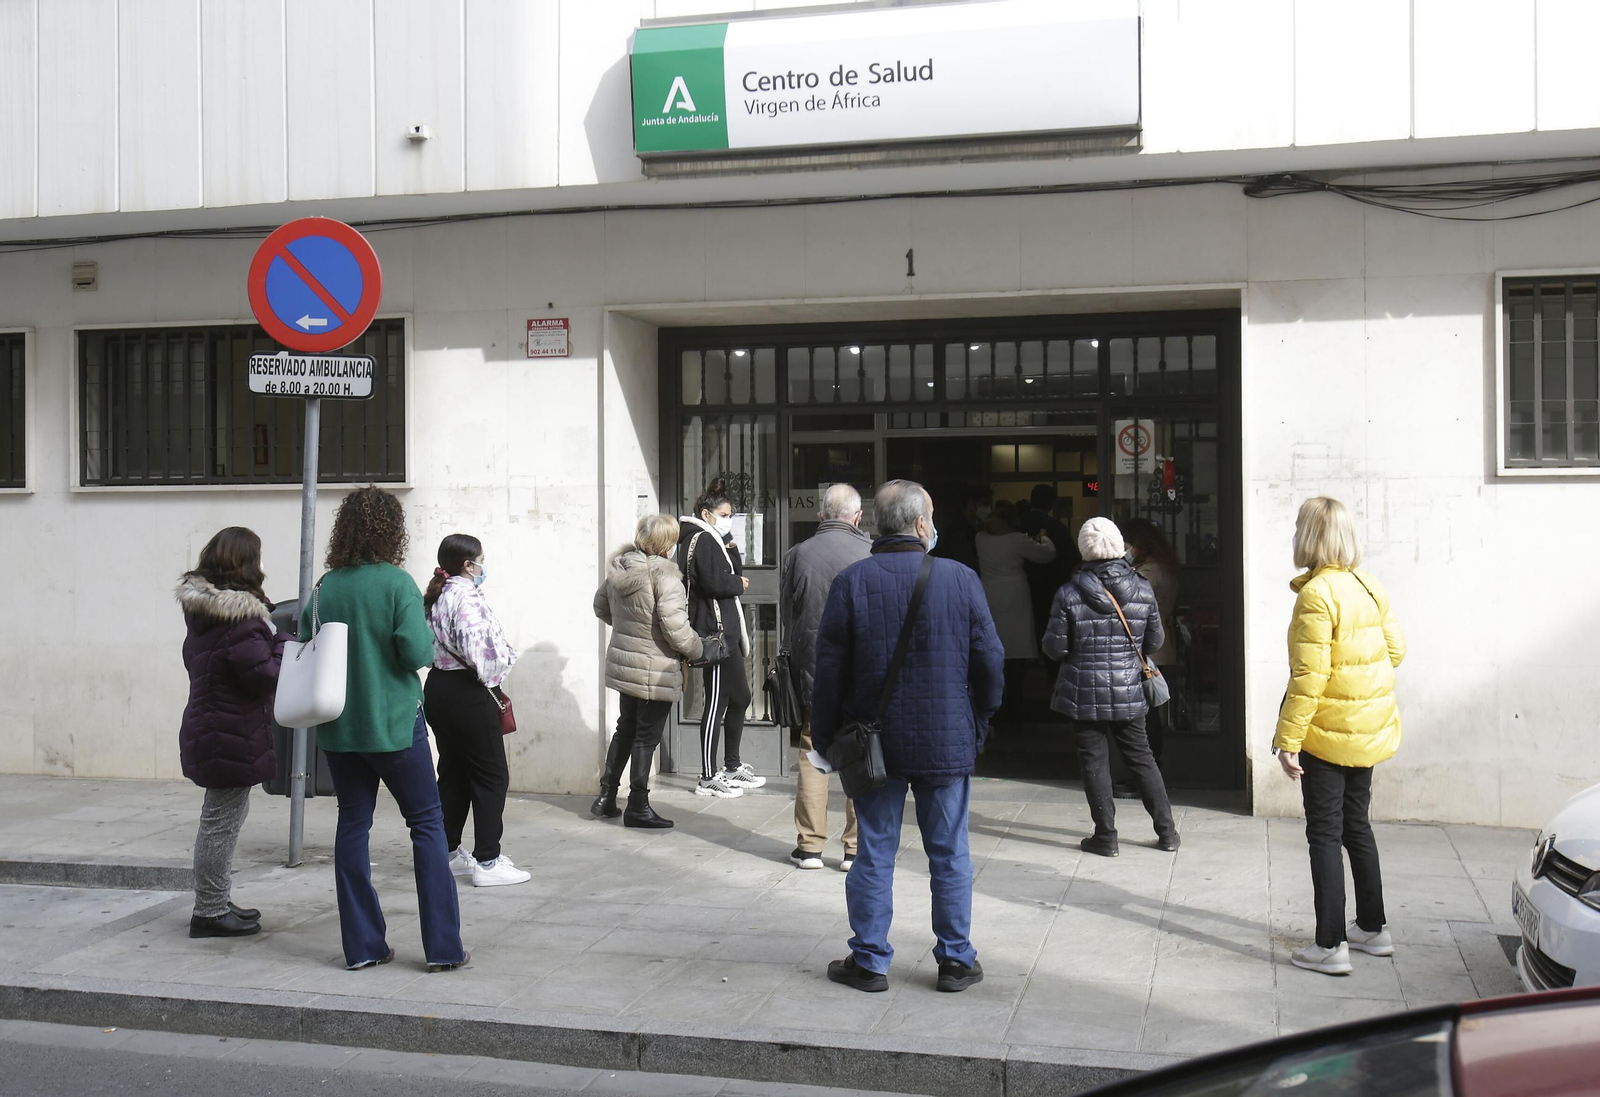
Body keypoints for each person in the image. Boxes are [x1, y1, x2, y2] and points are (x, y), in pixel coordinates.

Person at [811, 480, 1005, 994]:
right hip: (945, 742)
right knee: (949, 851)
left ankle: (871, 960)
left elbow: (829, 671)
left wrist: (827, 738)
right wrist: (978, 722)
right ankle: (956, 960)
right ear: (922, 525)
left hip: (874, 745)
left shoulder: (852, 582)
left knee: (874, 851)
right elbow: (991, 663)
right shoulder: (961, 579)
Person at [307, 486, 468, 973]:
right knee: (426, 824)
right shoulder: (397, 584)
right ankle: (443, 948)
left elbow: (304, 644)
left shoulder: (325, 587)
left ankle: (362, 947)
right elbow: (418, 653)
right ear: (391, 532)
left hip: (340, 728)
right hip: (396, 725)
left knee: (352, 825)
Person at [1274, 497, 1405, 977]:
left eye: (1296, 528)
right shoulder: (1368, 585)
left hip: (1326, 735)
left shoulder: (1315, 595)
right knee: (1357, 827)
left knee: (1324, 834)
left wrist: (1288, 740)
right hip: (1366, 729)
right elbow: (1396, 650)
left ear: (1310, 537)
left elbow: (1309, 676)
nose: (1292, 536)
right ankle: (1373, 928)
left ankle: (1330, 945)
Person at [1043, 517, 1179, 857]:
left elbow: (1055, 648)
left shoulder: (1068, 593)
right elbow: (1154, 641)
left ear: (1084, 550)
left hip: (1082, 690)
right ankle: (1168, 832)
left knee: (1093, 761)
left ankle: (1106, 836)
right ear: (1119, 546)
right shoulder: (1142, 588)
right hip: (1129, 687)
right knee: (1142, 758)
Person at [176, 527, 289, 938]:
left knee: (225, 817)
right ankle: (208, 911)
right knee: (220, 823)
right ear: (245, 564)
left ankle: (217, 899)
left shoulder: (207, 615)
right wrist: (284, 644)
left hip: (213, 726)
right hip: (227, 731)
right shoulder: (240, 620)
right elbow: (262, 675)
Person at [423, 534, 528, 888]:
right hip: (467, 692)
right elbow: (481, 653)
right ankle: (488, 859)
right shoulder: (465, 596)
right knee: (491, 775)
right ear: (469, 565)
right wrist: (501, 667)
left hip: (439, 689)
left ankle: (448, 852)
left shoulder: (439, 593)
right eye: (481, 560)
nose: (484, 567)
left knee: (453, 774)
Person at [779, 484, 872, 871]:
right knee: (861, 751)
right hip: (861, 670)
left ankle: (810, 846)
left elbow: (788, 613)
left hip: (812, 668)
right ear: (857, 517)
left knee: (812, 751)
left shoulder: (797, 554)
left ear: (822, 515)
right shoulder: (870, 552)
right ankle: (854, 848)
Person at [591, 514, 703, 829]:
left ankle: (606, 796)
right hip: (657, 668)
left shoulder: (621, 568)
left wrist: (631, 632)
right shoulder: (666, 576)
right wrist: (699, 649)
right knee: (646, 736)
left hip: (628, 665)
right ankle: (638, 806)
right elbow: (676, 629)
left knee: (626, 728)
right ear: (667, 543)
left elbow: (601, 607)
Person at [678, 479, 764, 799]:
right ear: (706, 513)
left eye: (731, 514)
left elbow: (733, 573)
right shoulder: (700, 539)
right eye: (724, 514)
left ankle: (731, 765)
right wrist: (737, 584)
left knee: (740, 696)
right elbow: (716, 582)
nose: (729, 519)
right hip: (713, 634)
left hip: (727, 633)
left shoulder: (716, 539)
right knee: (716, 703)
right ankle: (707, 775)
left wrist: (731, 549)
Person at [975, 500, 1057, 719]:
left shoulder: (980, 538)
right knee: (1016, 654)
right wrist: (1044, 537)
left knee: (993, 651)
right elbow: (1047, 554)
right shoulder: (1017, 540)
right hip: (1015, 595)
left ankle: (995, 708)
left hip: (988, 592)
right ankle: (1015, 710)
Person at [1122, 519, 1181, 764]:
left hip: (1147, 652)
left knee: (1144, 718)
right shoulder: (1160, 567)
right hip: (1159, 649)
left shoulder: (1147, 573)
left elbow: (1132, 610)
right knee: (1149, 715)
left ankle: (1145, 771)